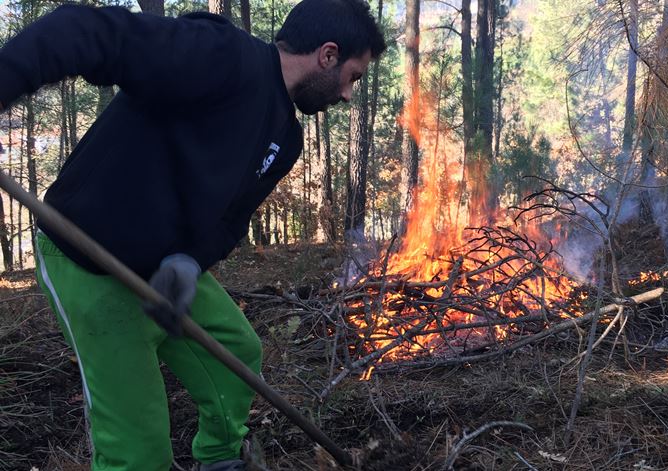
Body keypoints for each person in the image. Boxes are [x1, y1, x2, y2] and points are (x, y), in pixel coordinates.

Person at [0, 0, 385, 469]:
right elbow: (84, 28)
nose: (348, 94)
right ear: (327, 55)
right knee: (138, 451)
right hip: (87, 258)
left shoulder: (285, 138)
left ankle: (220, 459)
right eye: (353, 76)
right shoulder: (219, 56)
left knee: (237, 354)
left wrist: (189, 259)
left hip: (164, 268)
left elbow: (229, 221)